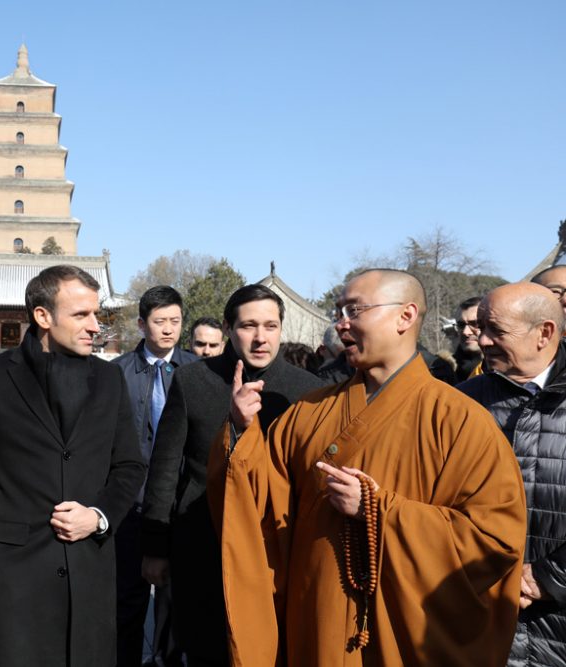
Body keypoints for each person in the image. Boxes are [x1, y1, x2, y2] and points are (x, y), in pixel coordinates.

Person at [212, 268, 527, 666]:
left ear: (405, 316)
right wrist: (241, 432)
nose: (341, 323)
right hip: (315, 622)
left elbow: (494, 540)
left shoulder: (460, 420)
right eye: (339, 311)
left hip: (403, 634)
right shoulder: (308, 412)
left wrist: (380, 510)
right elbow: (256, 502)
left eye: (355, 310)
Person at [0, 264, 145, 666]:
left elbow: (129, 466)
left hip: (89, 571)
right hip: (13, 577)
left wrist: (98, 516)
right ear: (43, 317)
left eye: (96, 314)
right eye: (81, 315)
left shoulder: (109, 379)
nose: (95, 326)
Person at [140, 284, 323, 667]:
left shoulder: (309, 391)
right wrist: (156, 546)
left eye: (271, 326)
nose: (261, 337)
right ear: (228, 328)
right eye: (249, 325)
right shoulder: (192, 381)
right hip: (205, 539)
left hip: (279, 548)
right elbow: (166, 467)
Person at [458, 283, 566, 667]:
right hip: (477, 617)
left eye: (497, 331)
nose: (482, 341)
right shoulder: (460, 402)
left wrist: (548, 577)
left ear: (545, 333)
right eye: (480, 327)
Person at [112, 285, 199, 667]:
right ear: (141, 324)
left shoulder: (198, 371)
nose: (168, 329)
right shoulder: (116, 374)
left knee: (176, 601)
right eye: (159, 321)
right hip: (129, 502)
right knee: (127, 598)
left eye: (175, 321)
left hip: (179, 502)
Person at [453, 296, 484, 381]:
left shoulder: (509, 371)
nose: (466, 332)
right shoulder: (443, 371)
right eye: (461, 325)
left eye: (474, 324)